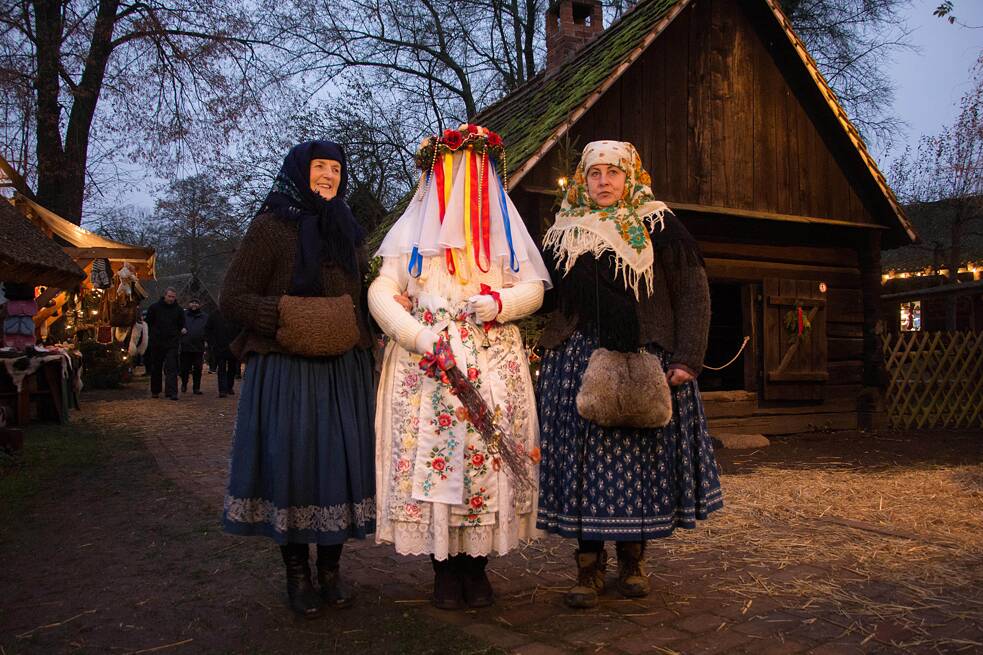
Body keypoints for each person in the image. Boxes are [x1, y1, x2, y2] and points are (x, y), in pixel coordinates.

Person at [368, 125, 551, 610]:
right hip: (428, 369)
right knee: (435, 464)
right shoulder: (411, 233)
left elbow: (534, 288)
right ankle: (444, 570)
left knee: (485, 465)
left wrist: (501, 302)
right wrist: (417, 335)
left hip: (492, 365)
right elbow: (381, 292)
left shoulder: (502, 233)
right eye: (454, 175)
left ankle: (476, 566)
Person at [535, 141, 723, 609]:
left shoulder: (659, 225)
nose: (603, 182)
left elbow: (693, 293)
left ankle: (634, 560)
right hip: (574, 360)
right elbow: (545, 298)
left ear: (630, 177)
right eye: (594, 173)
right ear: (583, 179)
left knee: (636, 463)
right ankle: (588, 566)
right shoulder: (562, 231)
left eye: (612, 173)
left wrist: (686, 358)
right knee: (580, 468)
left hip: (642, 357)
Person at [220, 141, 375, 619]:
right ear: (299, 172)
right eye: (319, 167)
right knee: (294, 463)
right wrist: (285, 315)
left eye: (335, 168)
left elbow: (362, 293)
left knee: (340, 465)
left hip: (342, 370)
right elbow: (233, 296)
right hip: (286, 367)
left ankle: (330, 570)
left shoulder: (348, 230)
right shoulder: (270, 228)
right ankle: (297, 573)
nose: (328, 175)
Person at [145, 287, 185, 400]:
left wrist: (181, 330)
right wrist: (154, 334)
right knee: (156, 367)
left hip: (172, 342)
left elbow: (182, 323)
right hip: (157, 342)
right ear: (165, 295)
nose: (171, 299)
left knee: (172, 367)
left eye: (173, 297)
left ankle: (172, 392)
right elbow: (149, 322)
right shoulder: (154, 308)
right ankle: (155, 390)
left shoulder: (179, 310)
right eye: (169, 296)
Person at [204, 308, 242, 398]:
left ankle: (229, 386)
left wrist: (238, 343)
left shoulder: (236, 314)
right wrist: (212, 342)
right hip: (219, 346)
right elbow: (208, 329)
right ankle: (222, 390)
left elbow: (241, 330)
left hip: (233, 346)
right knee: (221, 368)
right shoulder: (214, 315)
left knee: (232, 368)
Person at [179, 297, 208, 395]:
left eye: (196, 303)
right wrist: (181, 329)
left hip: (198, 347)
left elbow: (208, 329)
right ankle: (184, 384)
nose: (194, 304)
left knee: (198, 368)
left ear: (199, 305)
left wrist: (206, 340)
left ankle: (196, 388)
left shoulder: (204, 317)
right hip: (185, 346)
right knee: (184, 368)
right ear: (189, 304)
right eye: (192, 302)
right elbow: (177, 325)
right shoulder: (183, 315)